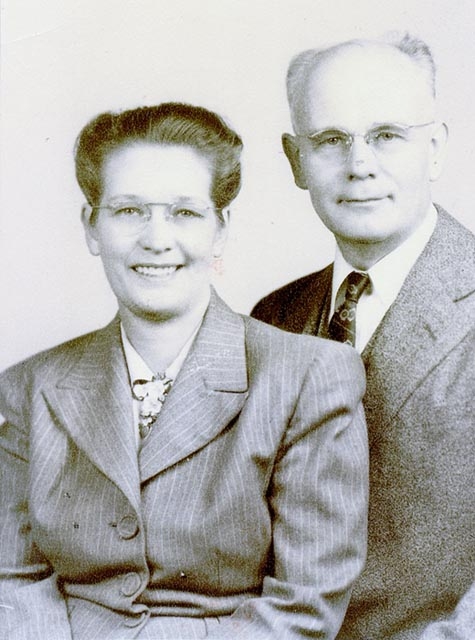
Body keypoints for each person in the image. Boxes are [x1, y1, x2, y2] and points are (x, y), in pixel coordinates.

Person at [0, 103, 368, 640]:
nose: (156, 238)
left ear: (220, 230)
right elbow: (12, 578)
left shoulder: (309, 377)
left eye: (185, 213)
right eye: (128, 211)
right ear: (92, 227)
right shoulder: (28, 387)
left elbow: (304, 607)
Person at [252, 34, 475, 640]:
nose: (359, 165)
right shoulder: (273, 317)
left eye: (387, 136)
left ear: (435, 149)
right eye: (330, 141)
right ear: (295, 161)